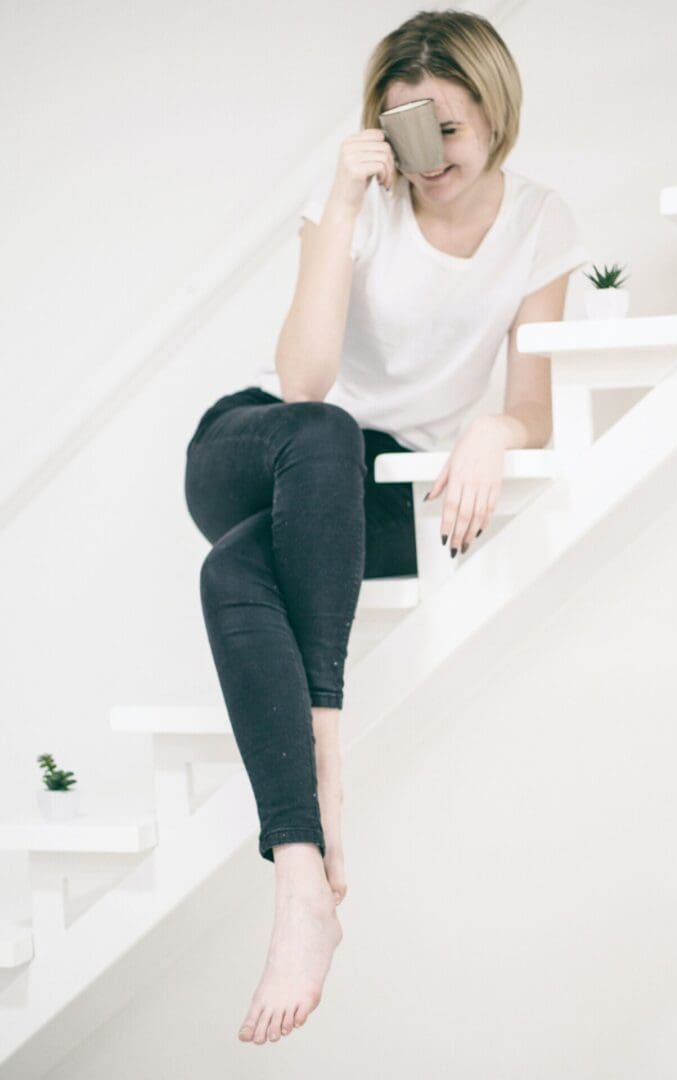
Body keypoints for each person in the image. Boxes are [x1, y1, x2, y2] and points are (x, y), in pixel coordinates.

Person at [183, 9, 589, 1047]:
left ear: (496, 117)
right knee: (318, 428)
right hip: (268, 450)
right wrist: (340, 200)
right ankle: (325, 755)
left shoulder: (540, 220)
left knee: (235, 574)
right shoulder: (362, 206)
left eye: (452, 129)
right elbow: (305, 380)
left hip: (382, 498)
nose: (434, 154)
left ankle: (301, 879)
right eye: (411, 127)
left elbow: (535, 405)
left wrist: (496, 428)